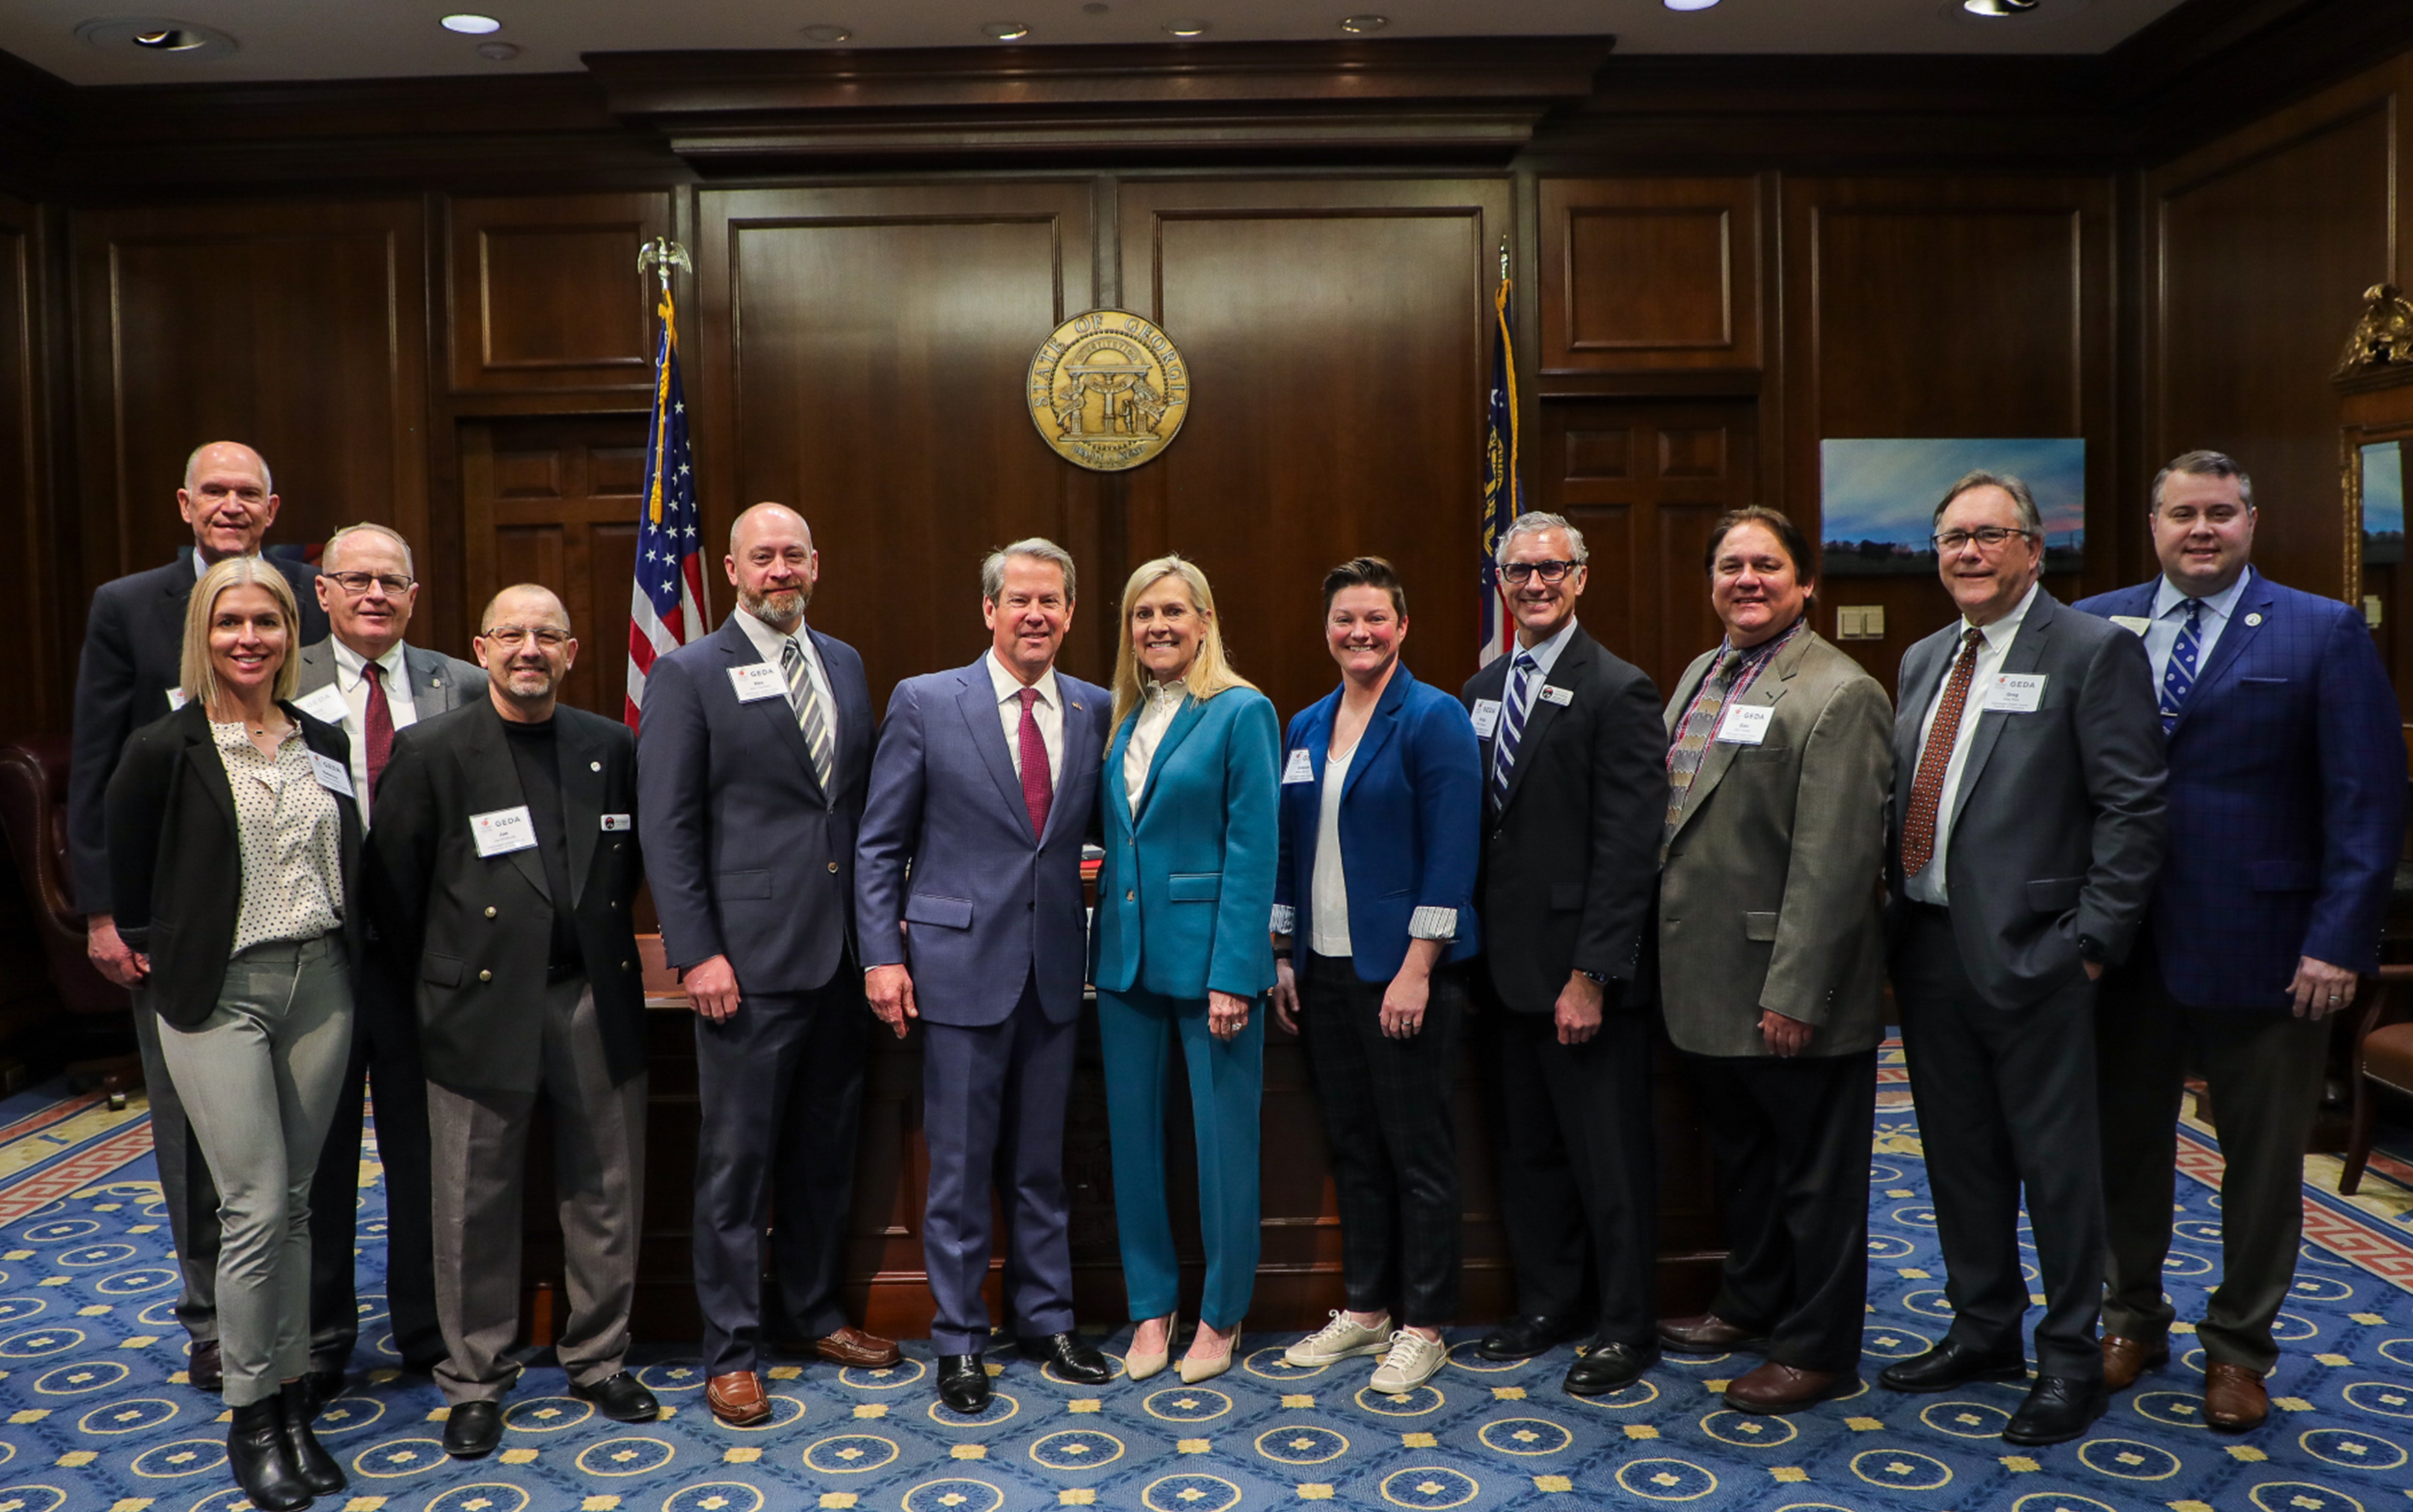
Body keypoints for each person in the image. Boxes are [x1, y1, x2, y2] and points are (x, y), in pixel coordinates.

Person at [2075, 451, 2405, 1431]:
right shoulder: (2095, 625)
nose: (2201, 530)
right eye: (2182, 514)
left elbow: (2365, 803)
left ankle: (2238, 1348)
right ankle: (2129, 1317)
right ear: (2153, 524)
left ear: (2251, 521)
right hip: (2123, 951)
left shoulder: (2321, 630)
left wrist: (2339, 943)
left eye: (2220, 512)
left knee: (2259, 1169)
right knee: (2120, 1151)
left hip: (2269, 950)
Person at [1880, 471, 2166, 1447]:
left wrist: (2089, 943)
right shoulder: (1922, 657)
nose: (1967, 553)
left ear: (2032, 550)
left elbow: (2133, 807)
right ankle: (1981, 1328)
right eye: (1952, 537)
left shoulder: (2090, 650)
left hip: (2039, 958)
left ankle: (2069, 1358)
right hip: (1926, 949)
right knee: (1958, 1157)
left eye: (1988, 537)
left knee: (2055, 1169)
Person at [366, 585, 659, 1459]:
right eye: (511, 635)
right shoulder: (431, 750)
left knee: (607, 1188)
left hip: (587, 995)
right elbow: (395, 891)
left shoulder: (608, 745)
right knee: (472, 1202)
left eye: (547, 636)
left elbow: (626, 863)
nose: (529, 649)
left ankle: (599, 1356)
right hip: (478, 1004)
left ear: (571, 652)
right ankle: (477, 1379)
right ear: (480, 647)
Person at [68, 440, 327, 1392]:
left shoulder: (313, 594)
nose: (229, 505)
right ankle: (211, 1315)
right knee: (191, 1135)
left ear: (272, 506)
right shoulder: (127, 605)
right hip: (179, 926)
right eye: (213, 491)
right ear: (185, 503)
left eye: (246, 493)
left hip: (301, 910)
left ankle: (299, 1321)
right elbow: (98, 768)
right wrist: (105, 914)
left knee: (289, 1164)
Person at [105, 557, 360, 1511]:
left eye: (267, 622)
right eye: (229, 622)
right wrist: (169, 950)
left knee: (294, 1202)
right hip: (221, 992)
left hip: (323, 983)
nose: (248, 638)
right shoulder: (164, 748)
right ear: (202, 636)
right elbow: (132, 880)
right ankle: (251, 1414)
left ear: (292, 635)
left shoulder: (318, 737)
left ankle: (295, 1402)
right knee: (250, 1205)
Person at [637, 503, 899, 1428]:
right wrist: (695, 949)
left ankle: (815, 1314)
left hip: (841, 958)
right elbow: (668, 829)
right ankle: (731, 1350)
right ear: (734, 571)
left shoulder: (846, 663)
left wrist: (881, 943)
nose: (780, 569)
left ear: (815, 563)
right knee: (736, 1166)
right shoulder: (687, 672)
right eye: (763, 557)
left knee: (827, 1153)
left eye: (794, 554)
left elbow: (859, 816)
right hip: (742, 965)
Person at [855, 539, 1113, 1413]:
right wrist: (880, 956)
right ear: (989, 610)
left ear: (1071, 613)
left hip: (1052, 974)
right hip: (955, 968)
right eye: (1019, 600)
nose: (1034, 614)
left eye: (1051, 601)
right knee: (960, 1171)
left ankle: (1046, 1319)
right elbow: (879, 842)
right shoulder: (928, 701)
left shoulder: (1093, 706)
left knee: (1041, 1165)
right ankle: (960, 1340)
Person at [1656, 507, 1893, 1414]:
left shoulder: (1837, 691)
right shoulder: (1701, 672)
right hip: (1706, 982)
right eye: (1728, 565)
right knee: (1748, 1170)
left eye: (1765, 565)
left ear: (1804, 583)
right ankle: (1751, 1304)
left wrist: (1794, 990)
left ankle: (1816, 1346)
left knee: (1816, 1182)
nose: (1744, 580)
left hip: (1788, 991)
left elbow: (1835, 866)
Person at [1456, 514, 1665, 1397]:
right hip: (1501, 972)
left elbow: (1627, 850)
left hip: (1581, 978)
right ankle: (1550, 1305)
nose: (1533, 584)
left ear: (1581, 577)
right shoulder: (1483, 683)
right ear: (1499, 581)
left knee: (1606, 1160)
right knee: (1529, 1154)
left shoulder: (1619, 688)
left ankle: (1624, 1326)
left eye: (1551, 570)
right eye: (1518, 571)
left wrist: (1591, 974)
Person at [1272, 557, 1482, 1395]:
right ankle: (1365, 1312)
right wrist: (1283, 953)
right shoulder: (1305, 724)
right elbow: (1291, 852)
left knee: (1417, 1153)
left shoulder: (1434, 719)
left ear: (1402, 627)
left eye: (1374, 619)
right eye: (1343, 620)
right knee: (1354, 1148)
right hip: (1322, 972)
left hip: (1402, 977)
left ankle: (1424, 1324)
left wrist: (1417, 968)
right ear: (1326, 630)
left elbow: (1452, 855)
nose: (1358, 633)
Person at [291, 522, 480, 1398]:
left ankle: (427, 1325)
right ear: (320, 593)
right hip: (319, 954)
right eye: (355, 579)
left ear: (413, 595)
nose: (375, 594)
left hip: (427, 960)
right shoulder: (281, 681)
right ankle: (325, 1332)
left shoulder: (464, 685)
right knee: (320, 1151)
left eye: (391, 581)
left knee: (425, 1150)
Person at [1090, 555, 1280, 1385]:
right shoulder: (1123, 719)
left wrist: (1237, 971)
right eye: (1141, 615)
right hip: (1124, 965)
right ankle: (1150, 1308)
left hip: (1213, 967)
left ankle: (1220, 1314)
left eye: (1172, 612)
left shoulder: (1241, 711)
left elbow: (1253, 849)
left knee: (1220, 1148)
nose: (1156, 627)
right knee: (1134, 1148)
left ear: (1204, 620)